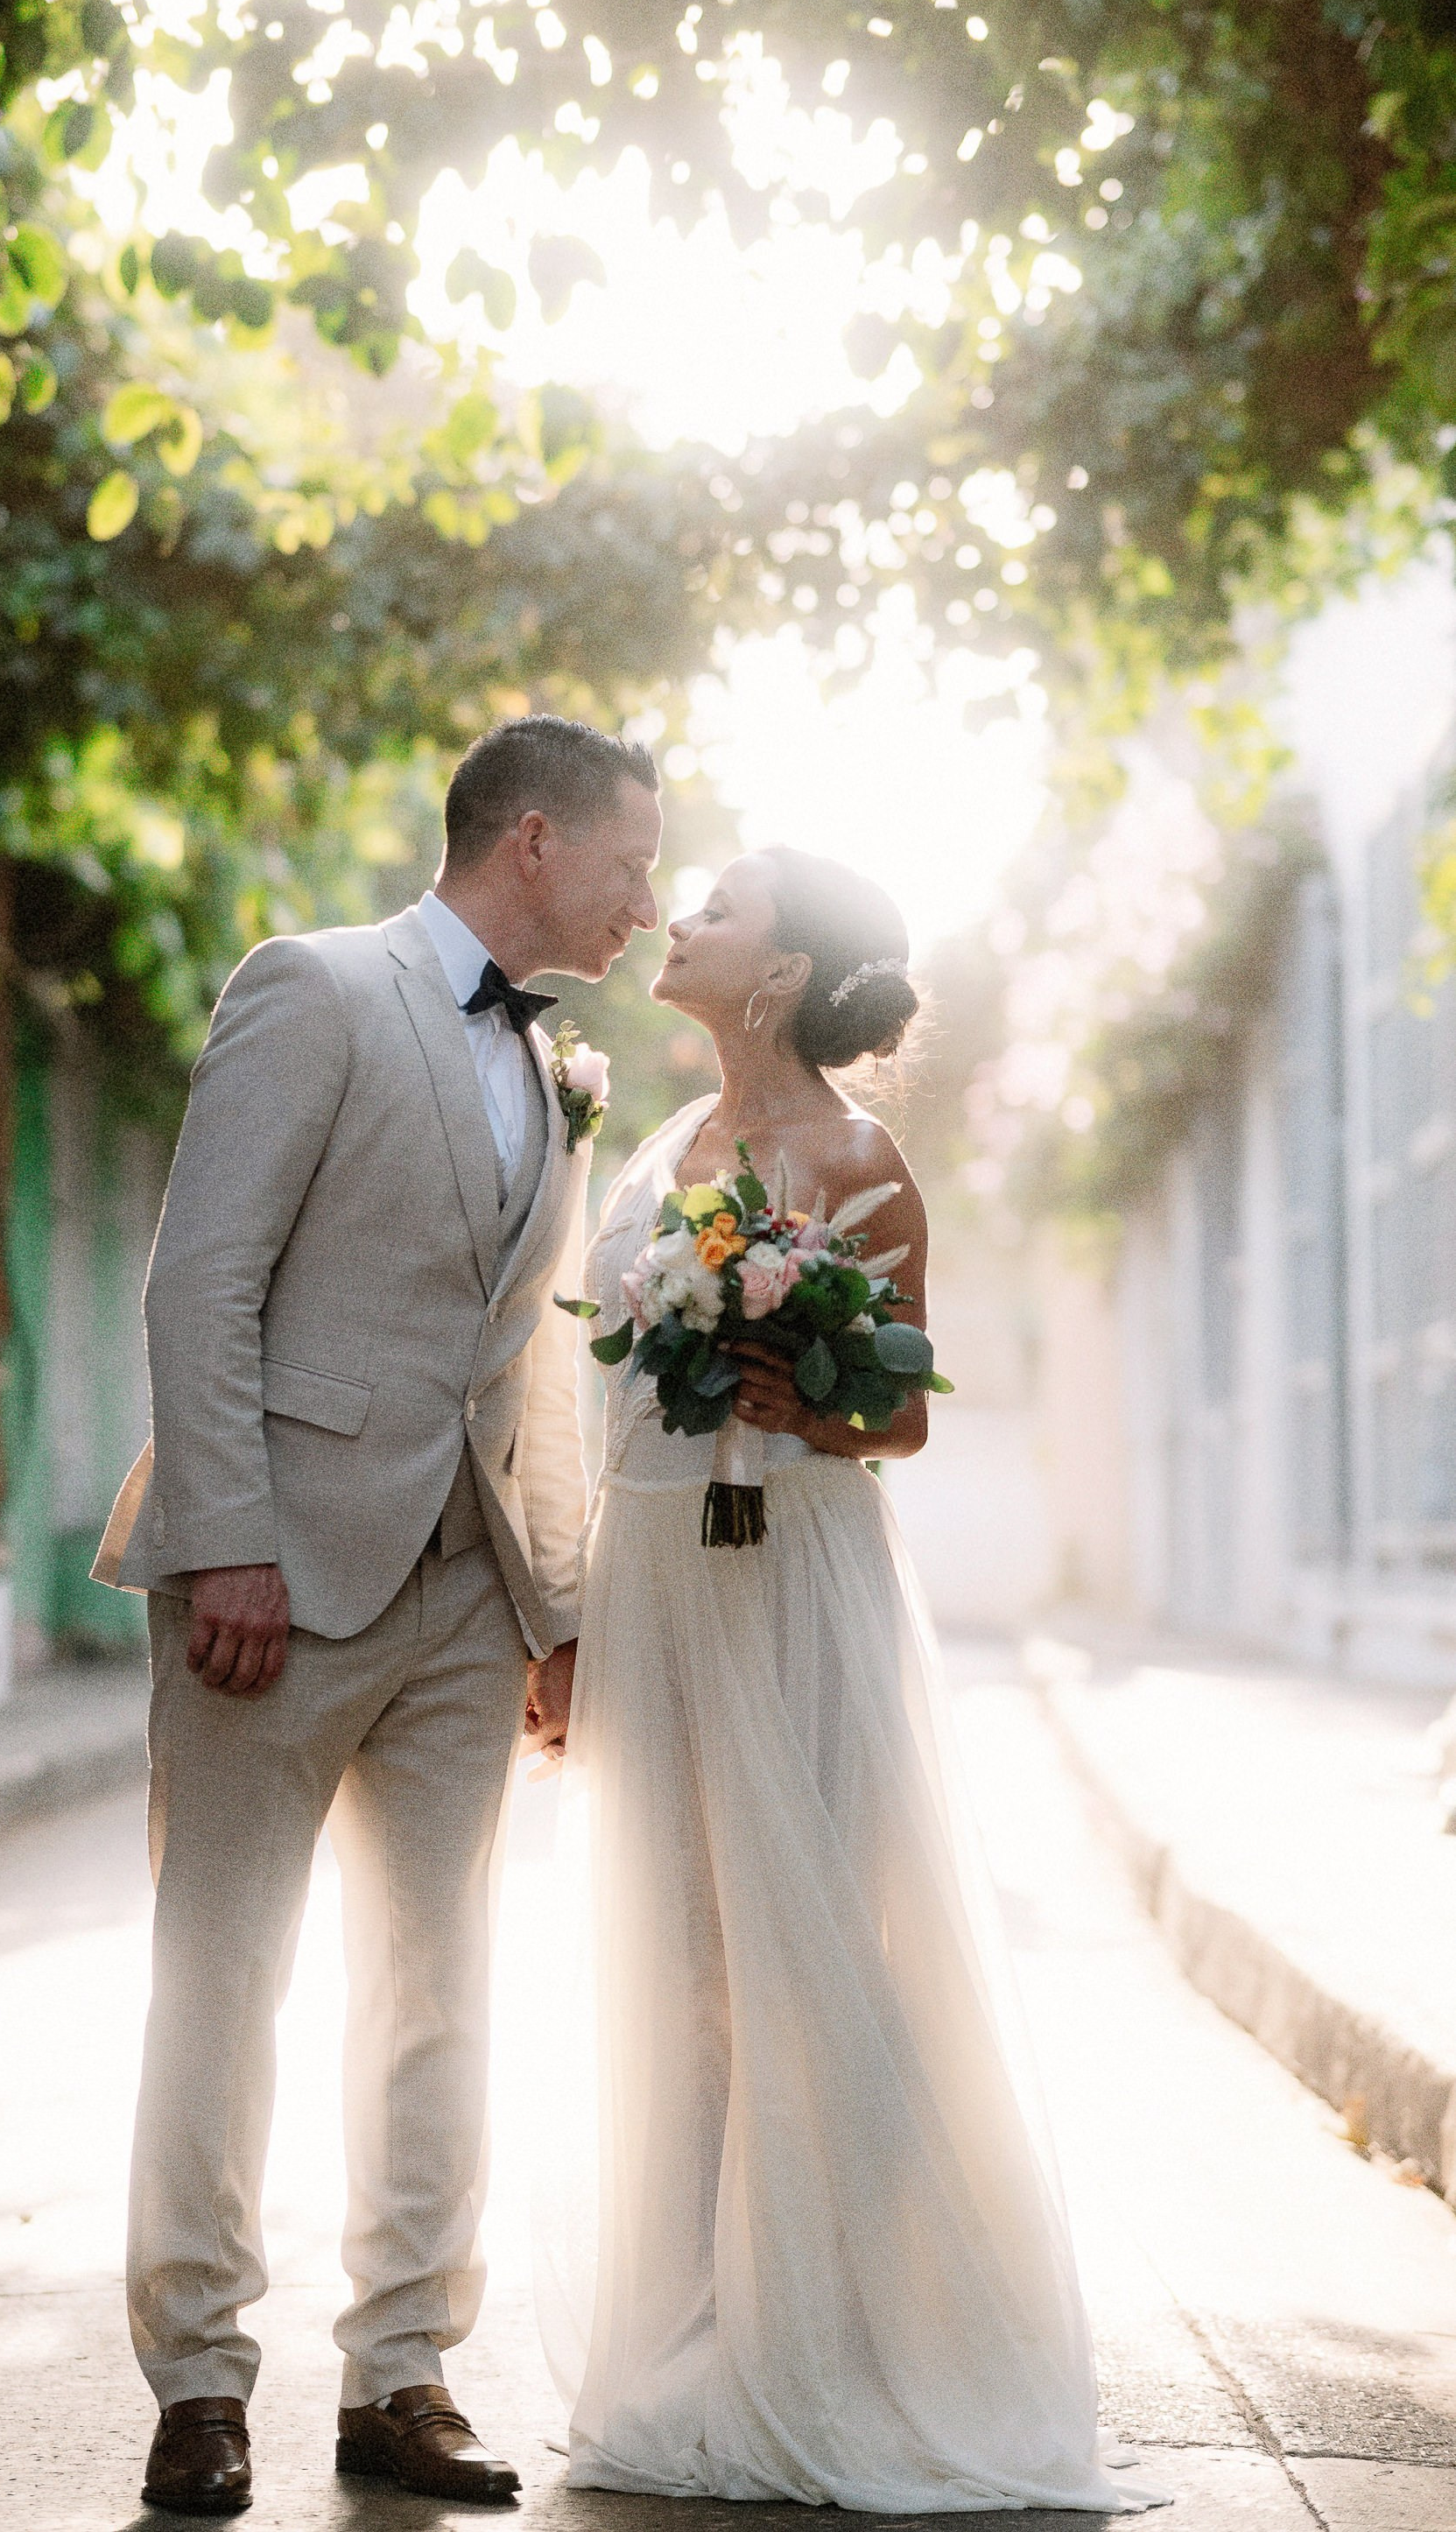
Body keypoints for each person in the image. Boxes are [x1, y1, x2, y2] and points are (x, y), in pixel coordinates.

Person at [531, 846, 1165, 2514]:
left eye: (719, 907)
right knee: (675, 1955)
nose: (682, 919)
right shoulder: (658, 1146)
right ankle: (694, 2334)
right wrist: (569, 1623)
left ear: (782, 972)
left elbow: (902, 1416)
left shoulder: (858, 1157)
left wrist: (798, 1394)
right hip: (652, 1573)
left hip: (793, 1574)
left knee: (812, 1943)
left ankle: (850, 2343)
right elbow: (598, 1404)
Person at [92, 714, 660, 2517]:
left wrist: (552, 1609)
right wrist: (228, 1541)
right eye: (631, 863)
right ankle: (198, 2379)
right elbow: (203, 1280)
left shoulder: (558, 1068)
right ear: (534, 839)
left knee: (440, 1990)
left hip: (465, 1601)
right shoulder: (314, 988)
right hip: (271, 1585)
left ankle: (402, 2371)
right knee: (222, 1981)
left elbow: (536, 1363)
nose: (648, 903)